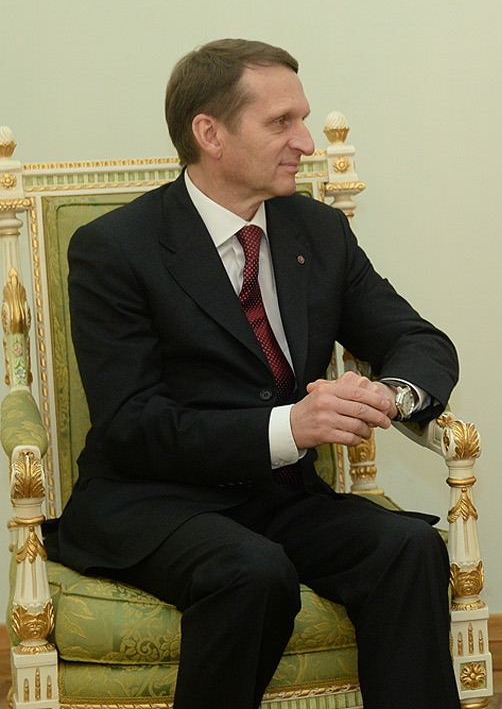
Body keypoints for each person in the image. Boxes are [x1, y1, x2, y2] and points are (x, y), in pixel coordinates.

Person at [47, 39, 461, 709]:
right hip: (155, 501)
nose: (305, 141)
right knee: (251, 570)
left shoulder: (317, 231)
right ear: (209, 134)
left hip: (279, 498)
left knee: (409, 546)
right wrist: (289, 426)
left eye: (304, 119)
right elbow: (130, 424)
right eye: (280, 123)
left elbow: (418, 340)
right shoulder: (116, 248)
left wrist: (388, 394)